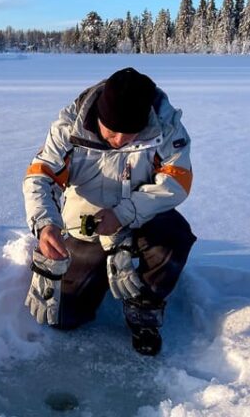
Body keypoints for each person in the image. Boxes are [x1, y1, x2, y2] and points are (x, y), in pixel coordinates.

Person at [22, 67, 196, 355]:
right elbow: (41, 176)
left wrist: (123, 214)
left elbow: (176, 180)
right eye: (112, 131)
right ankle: (104, 265)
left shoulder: (166, 129)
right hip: (87, 222)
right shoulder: (68, 129)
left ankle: (143, 309)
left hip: (144, 214)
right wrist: (45, 225)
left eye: (129, 134)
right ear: (99, 116)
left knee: (174, 239)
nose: (118, 141)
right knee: (65, 317)